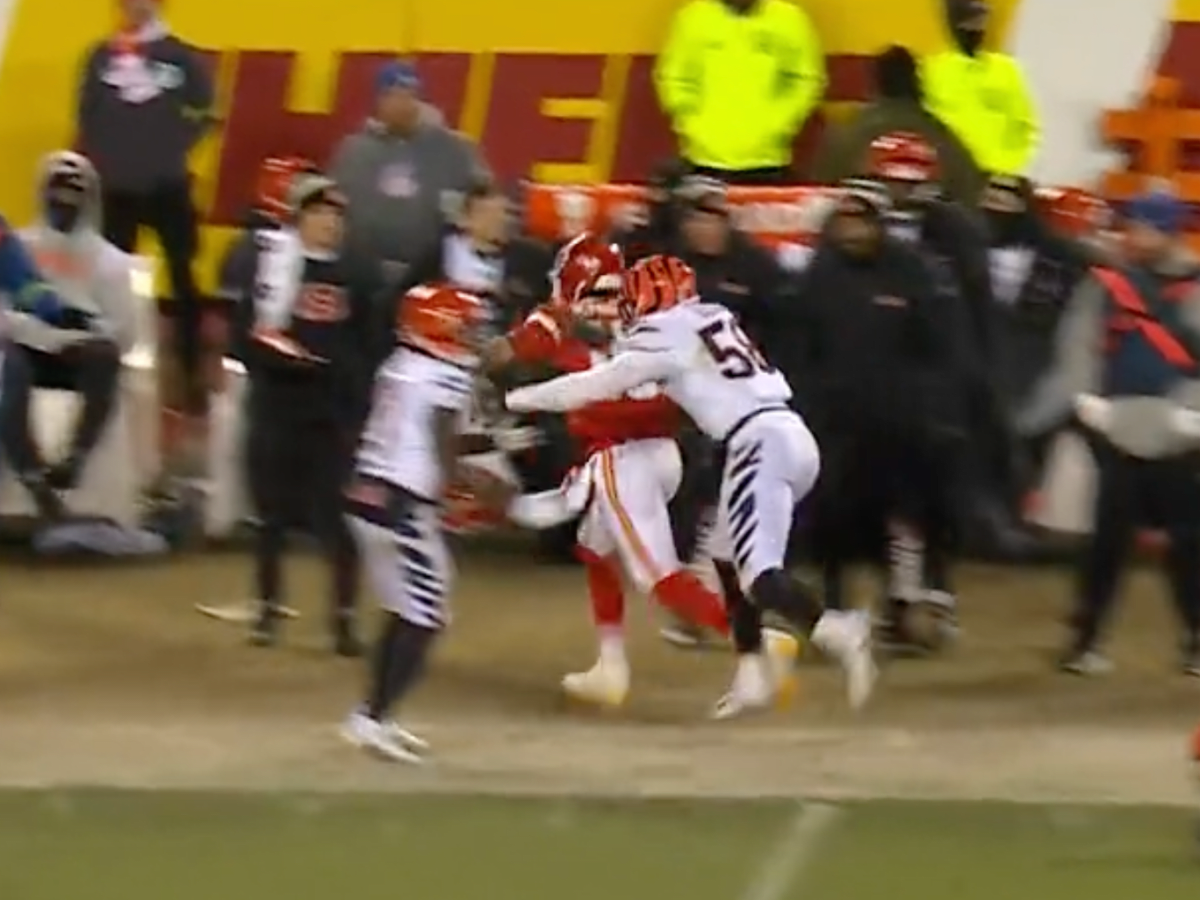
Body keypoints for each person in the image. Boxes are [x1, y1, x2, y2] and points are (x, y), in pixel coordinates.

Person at [506, 254, 877, 711]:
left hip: (756, 442)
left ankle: (840, 630)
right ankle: (751, 675)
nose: (629, 311)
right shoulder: (712, 315)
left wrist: (518, 398)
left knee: (758, 575)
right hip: (783, 433)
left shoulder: (662, 335)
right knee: (724, 559)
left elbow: (588, 387)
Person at [485, 236, 784, 716]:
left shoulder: (568, 321)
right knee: (595, 546)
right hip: (665, 453)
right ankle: (610, 666)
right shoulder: (652, 313)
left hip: (621, 460)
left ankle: (756, 640)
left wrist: (488, 368)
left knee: (661, 579)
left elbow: (518, 350)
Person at [1019, 188, 1200, 676]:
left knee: (1190, 546)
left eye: (1142, 227)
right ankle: (1086, 641)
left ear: (1166, 231)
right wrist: (1082, 400)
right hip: (1117, 428)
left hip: (1181, 437)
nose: (1133, 237)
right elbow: (1079, 346)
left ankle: (1197, 642)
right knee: (1105, 545)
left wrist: (1193, 415)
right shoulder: (1107, 285)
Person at [339, 284, 503, 762]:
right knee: (427, 613)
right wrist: (472, 483)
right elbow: (440, 438)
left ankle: (372, 715)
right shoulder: (441, 373)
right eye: (466, 326)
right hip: (401, 501)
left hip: (368, 492)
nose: (474, 336)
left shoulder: (400, 365)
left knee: (407, 609)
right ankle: (373, 718)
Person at [795, 179, 959, 650]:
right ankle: (833, 610)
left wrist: (932, 407)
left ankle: (901, 610)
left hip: (901, 420)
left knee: (903, 519)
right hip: (834, 420)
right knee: (830, 517)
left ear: (879, 222)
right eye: (845, 219)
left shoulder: (913, 273)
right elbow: (803, 344)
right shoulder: (820, 275)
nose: (852, 229)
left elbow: (938, 348)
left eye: (861, 219)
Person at [230, 174, 381, 655]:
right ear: (299, 218)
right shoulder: (269, 271)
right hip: (277, 407)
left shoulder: (358, 272)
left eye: (336, 216)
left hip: (332, 413)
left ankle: (343, 616)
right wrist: (280, 363)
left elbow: (371, 341)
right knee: (270, 515)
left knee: (341, 520)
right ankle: (269, 609)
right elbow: (243, 338)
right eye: (319, 214)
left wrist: (351, 389)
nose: (330, 224)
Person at [75, 0, 214, 424]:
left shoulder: (182, 57)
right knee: (109, 280)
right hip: (115, 190)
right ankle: (102, 374)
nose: (136, 5)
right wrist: (112, 155)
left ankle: (191, 376)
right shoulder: (101, 55)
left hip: (167, 186)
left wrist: (170, 146)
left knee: (183, 278)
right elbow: (86, 114)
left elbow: (205, 111)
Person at [0, 152, 136, 522]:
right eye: (57, 192)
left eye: (75, 193)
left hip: (79, 351)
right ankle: (33, 477)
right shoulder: (23, 241)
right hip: (22, 345)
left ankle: (75, 459)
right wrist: (48, 335)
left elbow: (123, 329)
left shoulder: (110, 261)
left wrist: (75, 327)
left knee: (105, 358)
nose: (65, 203)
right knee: (7, 369)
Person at [329, 60, 488, 290]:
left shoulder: (455, 150)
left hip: (432, 274)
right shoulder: (353, 151)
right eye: (391, 96)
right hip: (360, 273)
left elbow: (486, 198)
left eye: (408, 95)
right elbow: (333, 205)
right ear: (378, 101)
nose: (401, 104)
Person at [654, 0, 825, 185]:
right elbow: (674, 75)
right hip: (701, 160)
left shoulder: (790, 19)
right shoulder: (693, 18)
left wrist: (779, 126)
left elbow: (806, 79)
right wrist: (691, 124)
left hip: (767, 160)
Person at [810, 45, 983, 205]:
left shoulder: (848, 133)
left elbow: (820, 190)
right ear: (918, 84)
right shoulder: (946, 138)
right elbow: (969, 193)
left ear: (874, 83)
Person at [921, 0, 1039, 176]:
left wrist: (1008, 165)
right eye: (969, 21)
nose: (976, 28)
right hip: (948, 175)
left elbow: (1025, 124)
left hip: (997, 175)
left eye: (980, 21)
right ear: (953, 22)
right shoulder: (932, 69)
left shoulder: (1005, 69)